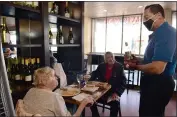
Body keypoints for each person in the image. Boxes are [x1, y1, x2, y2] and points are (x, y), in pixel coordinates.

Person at [125, 4, 176, 116]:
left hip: (158, 84)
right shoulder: (156, 34)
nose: (144, 21)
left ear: (158, 15)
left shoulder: (166, 32)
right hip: (151, 83)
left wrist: (136, 67)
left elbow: (157, 68)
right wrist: (137, 60)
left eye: (146, 17)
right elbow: (151, 60)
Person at [22, 67, 94, 116]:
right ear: (45, 80)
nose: (57, 77)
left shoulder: (30, 90)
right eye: (54, 75)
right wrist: (83, 103)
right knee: (73, 106)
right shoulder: (55, 96)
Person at [90, 51, 126, 117]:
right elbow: (94, 74)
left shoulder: (119, 67)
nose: (110, 59)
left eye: (112, 56)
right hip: (101, 92)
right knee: (90, 98)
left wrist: (117, 93)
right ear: (105, 60)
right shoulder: (101, 66)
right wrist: (88, 77)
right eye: (108, 57)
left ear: (114, 57)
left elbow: (123, 83)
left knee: (115, 104)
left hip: (113, 92)